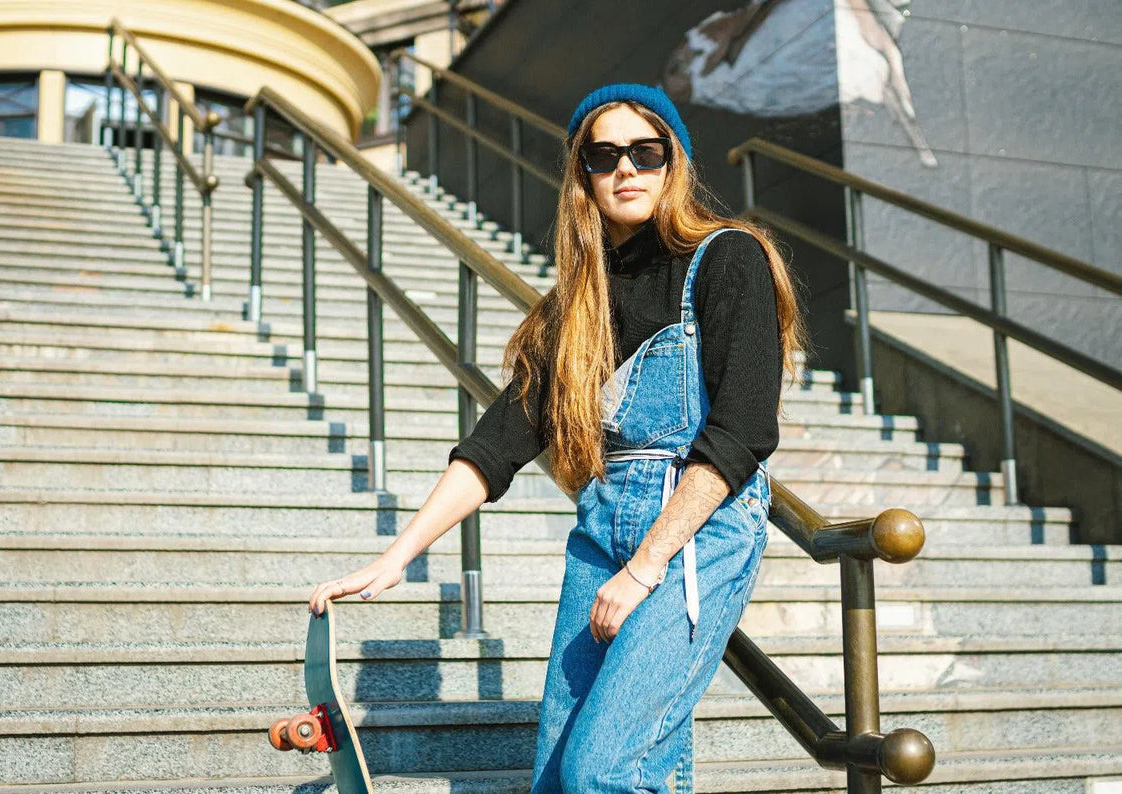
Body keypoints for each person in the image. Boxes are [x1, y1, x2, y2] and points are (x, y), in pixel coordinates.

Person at [308, 83, 804, 793]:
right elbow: (497, 444)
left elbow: (745, 429)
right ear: (583, 178)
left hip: (698, 529)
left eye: (645, 152)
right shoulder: (576, 308)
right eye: (604, 156)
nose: (626, 168)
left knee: (601, 769)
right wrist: (395, 558)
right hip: (604, 525)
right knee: (554, 777)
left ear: (674, 164)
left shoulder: (727, 259)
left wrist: (646, 568)